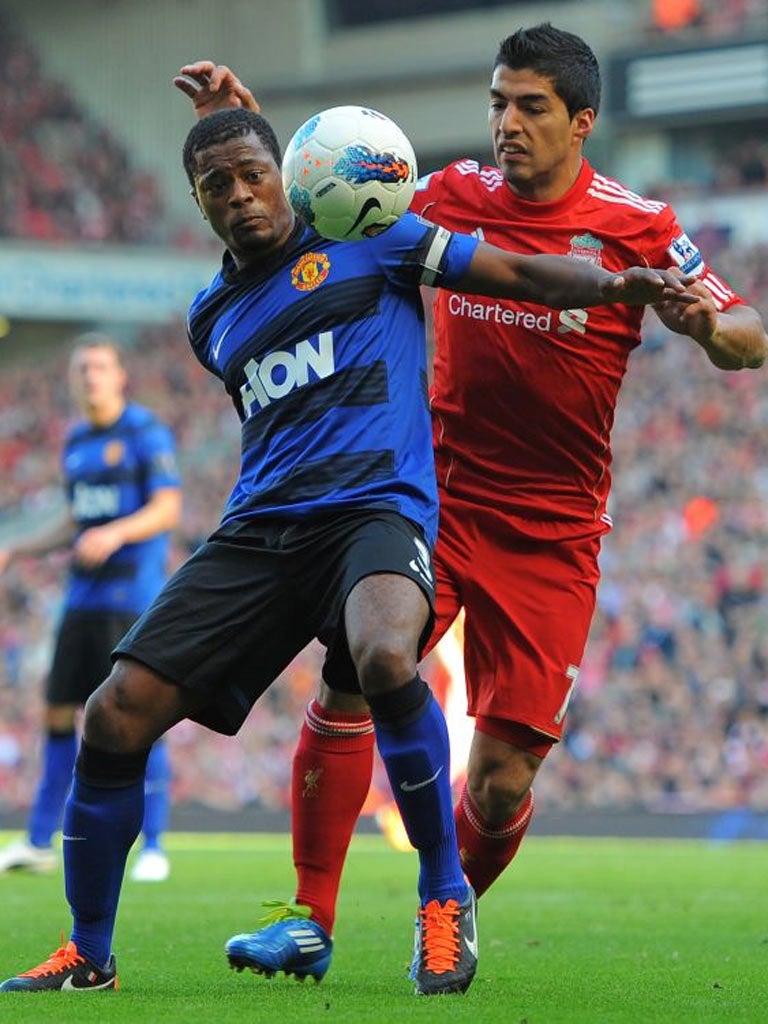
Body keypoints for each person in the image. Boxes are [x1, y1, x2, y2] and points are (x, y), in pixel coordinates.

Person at [0, 102, 692, 997]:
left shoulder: (386, 241)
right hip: (260, 531)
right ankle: (88, 954)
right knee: (113, 714)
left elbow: (518, 271)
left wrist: (615, 287)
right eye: (219, 186)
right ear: (199, 201)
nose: (242, 195)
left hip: (376, 512)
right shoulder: (211, 317)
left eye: (255, 175)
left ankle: (443, 901)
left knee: (379, 653)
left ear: (287, 177)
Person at [173, 23, 768, 985]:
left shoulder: (639, 224)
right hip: (432, 495)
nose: (507, 123)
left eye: (530, 106)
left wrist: (708, 326)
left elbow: (748, 335)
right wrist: (243, 127)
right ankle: (307, 916)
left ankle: (448, 910)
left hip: (556, 530)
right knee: (358, 673)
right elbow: (317, 203)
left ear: (582, 121)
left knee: (498, 785)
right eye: (498, 103)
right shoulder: (448, 194)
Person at [0, 335, 181, 884]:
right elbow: (72, 521)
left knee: (139, 716)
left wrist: (115, 532)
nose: (91, 377)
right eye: (82, 369)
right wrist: (16, 547)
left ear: (120, 375)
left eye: (100, 367)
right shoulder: (76, 441)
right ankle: (36, 840)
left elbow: (167, 507)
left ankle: (153, 845)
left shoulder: (144, 432)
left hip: (131, 598)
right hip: (81, 601)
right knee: (57, 713)